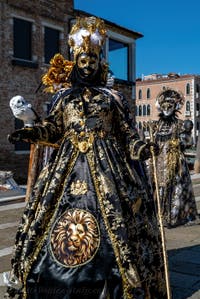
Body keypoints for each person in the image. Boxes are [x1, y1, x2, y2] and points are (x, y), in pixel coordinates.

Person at [6, 16, 167, 299]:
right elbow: (54, 129)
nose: (88, 65)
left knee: (117, 220)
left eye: (92, 60)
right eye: (82, 61)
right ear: (76, 63)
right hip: (67, 167)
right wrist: (30, 133)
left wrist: (141, 149)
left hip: (109, 166)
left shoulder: (112, 98)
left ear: (99, 63)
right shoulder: (64, 98)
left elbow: (127, 134)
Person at [147, 88, 198, 228]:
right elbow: (153, 141)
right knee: (158, 186)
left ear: (175, 106)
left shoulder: (180, 124)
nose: (167, 109)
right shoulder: (157, 125)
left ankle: (172, 216)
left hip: (173, 160)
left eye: (170, 106)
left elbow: (188, 141)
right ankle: (159, 214)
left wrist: (179, 143)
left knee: (175, 186)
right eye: (164, 106)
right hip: (158, 160)